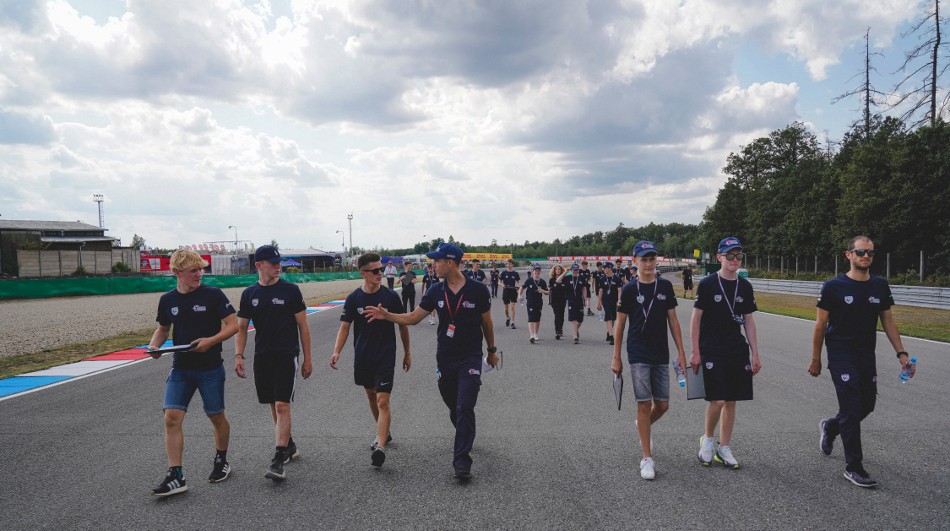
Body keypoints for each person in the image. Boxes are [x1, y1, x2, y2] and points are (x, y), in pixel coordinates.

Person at [364, 243, 499, 480]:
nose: (433, 265)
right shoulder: (436, 291)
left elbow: (487, 323)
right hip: (445, 358)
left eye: (437, 261)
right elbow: (414, 317)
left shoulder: (478, 290)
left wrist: (491, 351)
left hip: (470, 356)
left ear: (451, 262)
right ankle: (464, 428)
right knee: (454, 406)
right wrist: (386, 316)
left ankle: (461, 462)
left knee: (465, 406)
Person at [809, 235, 910, 488]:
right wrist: (816, 359)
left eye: (870, 253)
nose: (866, 256)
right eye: (861, 252)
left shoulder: (880, 285)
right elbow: (820, 325)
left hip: (866, 355)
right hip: (840, 354)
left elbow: (888, 320)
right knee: (852, 408)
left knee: (867, 405)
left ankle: (831, 427)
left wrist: (901, 353)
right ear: (849, 255)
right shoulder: (833, 287)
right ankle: (854, 467)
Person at [147, 249, 239, 497]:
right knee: (171, 418)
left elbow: (233, 325)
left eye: (200, 270)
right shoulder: (167, 300)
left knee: (216, 416)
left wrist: (211, 341)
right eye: (193, 271)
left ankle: (221, 460)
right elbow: (163, 329)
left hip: (210, 368)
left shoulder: (213, 294)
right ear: (177, 273)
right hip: (181, 368)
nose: (199, 274)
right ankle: (176, 475)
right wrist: (154, 346)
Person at [235, 245, 313, 481]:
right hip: (262, 355)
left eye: (279, 262)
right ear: (259, 265)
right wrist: (239, 355)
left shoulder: (290, 290)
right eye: (273, 263)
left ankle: (278, 459)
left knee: (281, 405)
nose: (278, 266)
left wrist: (307, 359)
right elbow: (241, 328)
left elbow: (303, 326)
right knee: (273, 403)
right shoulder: (249, 293)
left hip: (286, 354)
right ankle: (288, 444)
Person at [611, 241, 687, 480]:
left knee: (663, 405)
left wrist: (681, 352)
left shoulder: (665, 286)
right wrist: (616, 357)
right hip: (638, 353)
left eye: (651, 259)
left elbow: (673, 320)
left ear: (657, 260)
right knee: (644, 404)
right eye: (643, 259)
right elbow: (620, 325)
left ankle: (642, 424)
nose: (648, 263)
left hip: (660, 353)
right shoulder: (629, 290)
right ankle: (647, 458)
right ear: (635, 261)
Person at [331, 252, 411, 468]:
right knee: (370, 394)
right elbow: (345, 327)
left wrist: (407, 352)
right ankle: (384, 432)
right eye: (375, 270)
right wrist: (337, 351)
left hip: (385, 355)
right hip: (363, 356)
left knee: (382, 400)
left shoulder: (391, 297)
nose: (380, 273)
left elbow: (403, 325)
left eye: (381, 269)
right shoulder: (354, 298)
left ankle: (380, 446)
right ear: (363, 273)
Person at [690, 237, 762, 472]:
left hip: (736, 349)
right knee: (718, 399)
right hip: (711, 348)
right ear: (719, 257)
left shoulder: (745, 286)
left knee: (731, 400)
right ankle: (708, 439)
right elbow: (696, 319)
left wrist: (755, 353)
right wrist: (695, 351)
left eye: (738, 255)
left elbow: (749, 321)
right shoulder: (708, 284)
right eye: (730, 255)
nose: (735, 259)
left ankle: (725, 447)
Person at [518, 264, 549, 343]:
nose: (537, 272)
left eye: (538, 271)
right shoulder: (529, 280)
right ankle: (531, 335)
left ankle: (535, 334)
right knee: (531, 318)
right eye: (535, 271)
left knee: (537, 319)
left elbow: (548, 292)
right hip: (530, 302)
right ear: (533, 271)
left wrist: (542, 291)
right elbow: (522, 287)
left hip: (539, 302)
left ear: (540, 272)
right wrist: (519, 295)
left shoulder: (542, 282)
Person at [597, 261, 624, 345]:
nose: (603, 269)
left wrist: (619, 300)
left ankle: (609, 332)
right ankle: (612, 337)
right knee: (608, 316)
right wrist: (599, 302)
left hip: (614, 301)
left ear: (609, 268)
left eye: (605, 268)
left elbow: (619, 290)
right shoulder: (602, 279)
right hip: (605, 301)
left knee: (613, 318)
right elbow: (600, 291)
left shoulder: (617, 279)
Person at [559, 263, 587, 344]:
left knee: (580, 319)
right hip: (571, 300)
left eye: (576, 270)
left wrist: (585, 299)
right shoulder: (567, 278)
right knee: (573, 318)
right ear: (571, 270)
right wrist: (565, 272)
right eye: (574, 270)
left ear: (578, 270)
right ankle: (575, 337)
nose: (575, 271)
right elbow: (558, 281)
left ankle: (575, 329)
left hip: (579, 300)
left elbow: (584, 289)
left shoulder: (581, 278)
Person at [548, 264, 569, 340]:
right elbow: (549, 290)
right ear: (554, 270)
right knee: (557, 315)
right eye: (556, 269)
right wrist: (548, 300)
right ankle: (557, 331)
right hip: (554, 300)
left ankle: (560, 328)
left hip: (562, 299)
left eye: (559, 269)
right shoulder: (552, 280)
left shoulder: (565, 279)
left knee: (561, 315)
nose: (558, 271)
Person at [500, 259, 521, 329]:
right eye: (507, 264)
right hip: (506, 291)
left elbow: (519, 281)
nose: (508, 265)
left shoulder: (515, 273)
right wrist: (502, 284)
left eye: (510, 264)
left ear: (512, 265)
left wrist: (518, 286)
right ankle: (508, 317)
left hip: (513, 291)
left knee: (512, 307)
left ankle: (512, 322)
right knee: (506, 308)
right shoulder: (503, 273)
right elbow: (499, 281)